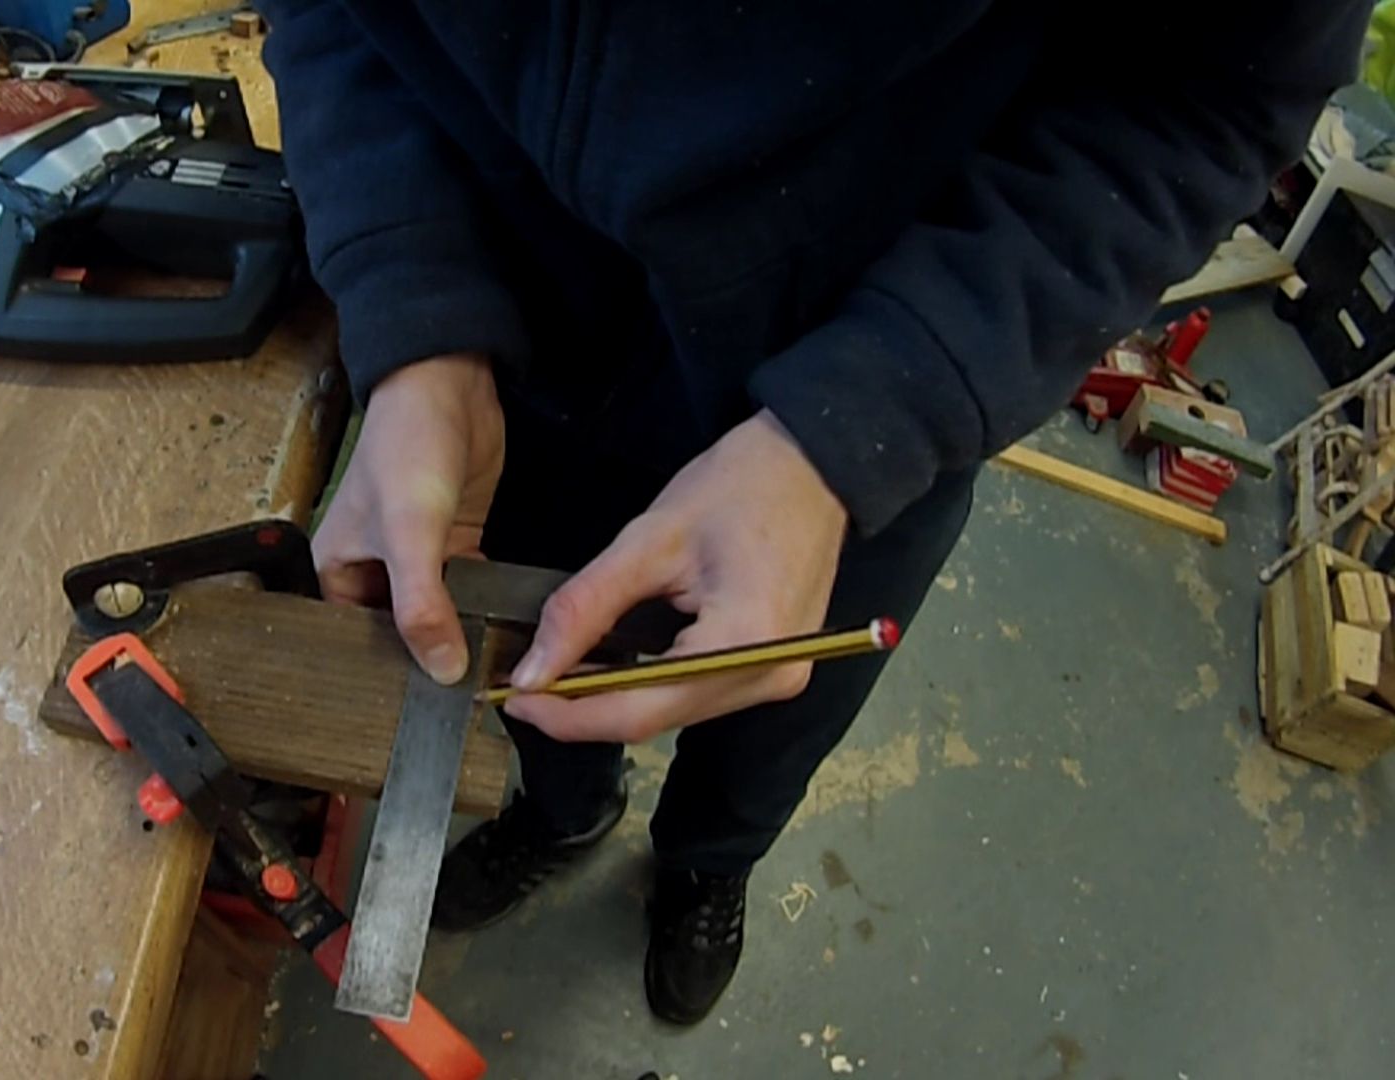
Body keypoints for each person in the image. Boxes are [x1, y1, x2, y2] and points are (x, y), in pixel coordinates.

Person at [258, 1, 1368, 1024]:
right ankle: (563, 815)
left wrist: (859, 423)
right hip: (520, 366)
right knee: (540, 674)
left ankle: (706, 866)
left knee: (778, 711)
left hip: (866, 394)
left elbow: (1204, 99)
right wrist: (413, 301)